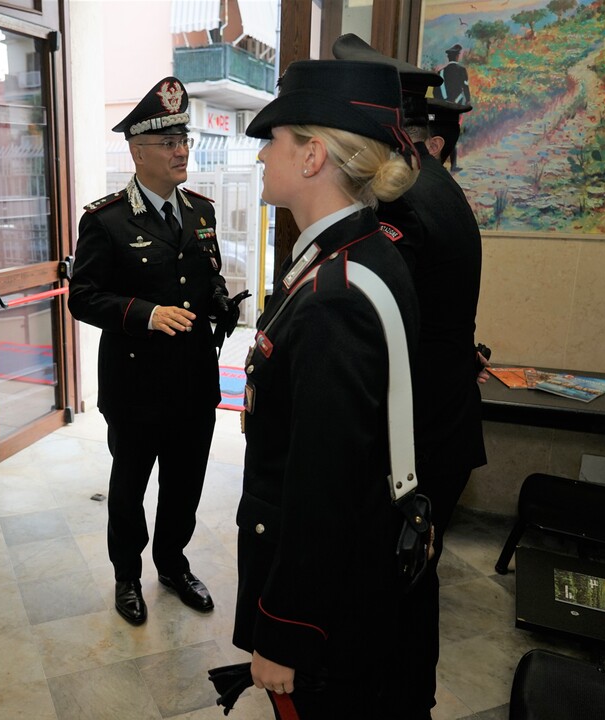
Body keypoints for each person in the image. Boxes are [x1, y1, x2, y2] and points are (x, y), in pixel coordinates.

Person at [230, 59, 421, 717]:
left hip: (330, 612)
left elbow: (323, 490)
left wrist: (284, 633)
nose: (260, 158)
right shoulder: (360, 251)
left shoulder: (333, 297)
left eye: (273, 140)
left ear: (312, 156)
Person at [333, 34, 487, 720]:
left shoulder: (399, 205)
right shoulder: (438, 182)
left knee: (387, 599)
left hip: (416, 443)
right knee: (414, 589)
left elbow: (387, 340)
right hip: (445, 425)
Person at [68, 76, 229, 626]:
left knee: (185, 483)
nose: (182, 150)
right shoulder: (106, 219)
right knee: (129, 488)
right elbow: (84, 298)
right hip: (136, 385)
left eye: (184, 139)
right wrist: (147, 314)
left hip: (193, 380)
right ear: (137, 152)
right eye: (168, 143)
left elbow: (204, 281)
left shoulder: (201, 212)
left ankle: (172, 562)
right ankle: (127, 575)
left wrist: (222, 304)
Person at [436, 43, 471, 171]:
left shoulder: (440, 72)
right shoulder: (462, 71)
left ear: (449, 57)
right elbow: (465, 88)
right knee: (453, 134)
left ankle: (439, 164)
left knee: (441, 135)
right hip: (456, 108)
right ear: (457, 56)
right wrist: (468, 101)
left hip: (442, 109)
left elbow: (436, 92)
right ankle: (453, 165)